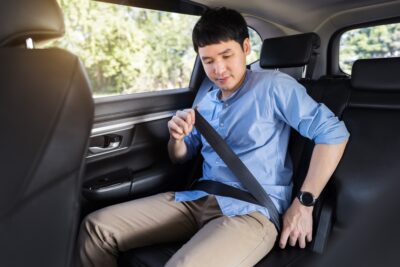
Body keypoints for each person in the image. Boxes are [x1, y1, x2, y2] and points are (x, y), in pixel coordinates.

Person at [77, 7, 349, 267]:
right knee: (96, 228)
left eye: (226, 55)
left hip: (251, 211)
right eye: (208, 60)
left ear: (245, 48)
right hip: (196, 198)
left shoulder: (273, 87)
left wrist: (304, 204)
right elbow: (181, 157)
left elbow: (333, 134)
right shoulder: (205, 102)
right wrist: (177, 138)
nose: (218, 69)